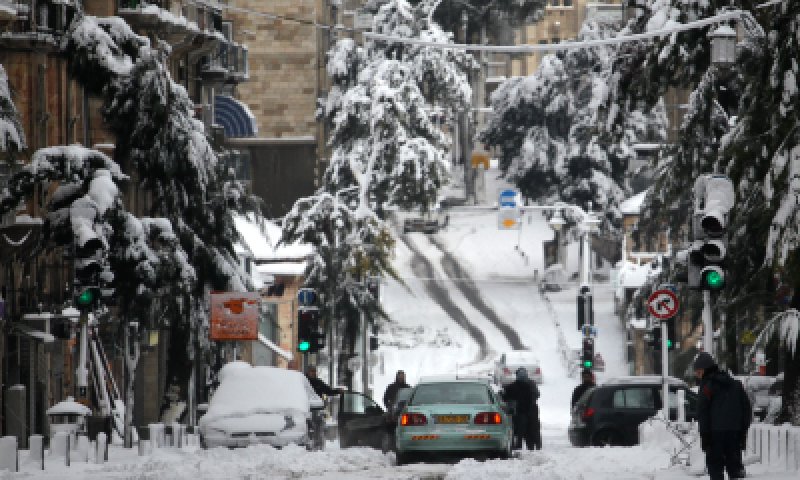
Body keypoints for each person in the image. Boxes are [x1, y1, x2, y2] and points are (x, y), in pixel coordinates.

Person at [694, 352, 752, 480]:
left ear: (705, 370)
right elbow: (746, 409)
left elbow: (703, 412)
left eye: (698, 372)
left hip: (714, 435)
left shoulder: (707, 387)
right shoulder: (736, 385)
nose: (697, 376)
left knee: (715, 469)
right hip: (734, 434)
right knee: (735, 470)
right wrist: (742, 431)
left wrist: (705, 435)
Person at [502, 367, 542, 450]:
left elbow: (505, 397)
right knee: (532, 429)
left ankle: (520, 445)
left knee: (520, 429)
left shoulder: (513, 386)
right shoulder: (530, 384)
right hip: (530, 409)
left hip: (521, 411)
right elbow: (536, 395)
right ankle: (533, 445)